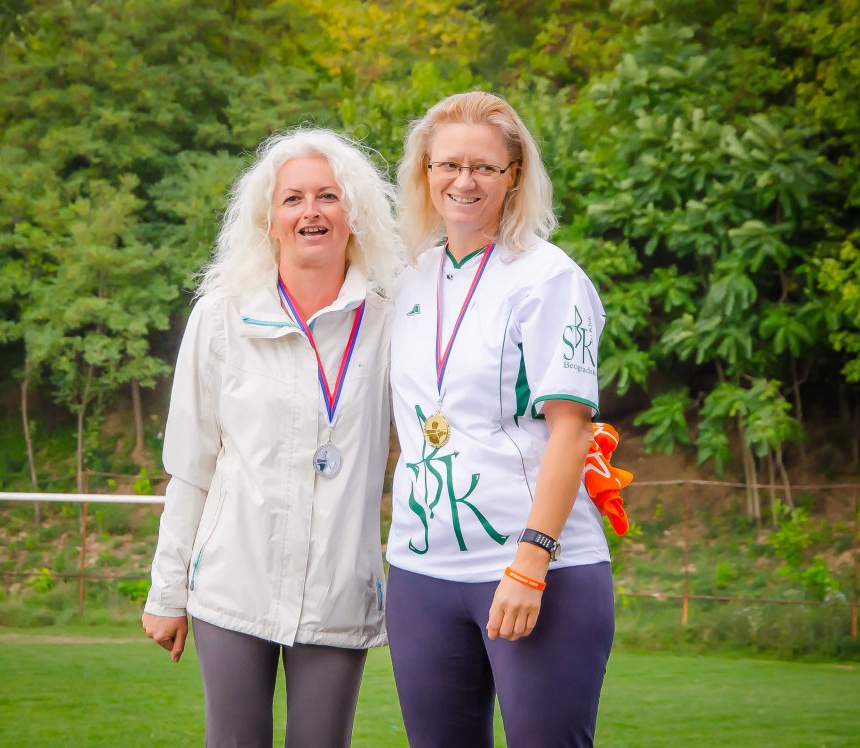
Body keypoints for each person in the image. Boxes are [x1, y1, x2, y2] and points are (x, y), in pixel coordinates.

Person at [142, 128, 399, 748]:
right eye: (293, 199)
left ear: (355, 215)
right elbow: (191, 467)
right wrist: (167, 591)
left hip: (338, 592)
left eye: (329, 196)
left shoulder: (390, 324)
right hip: (232, 587)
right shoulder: (220, 316)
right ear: (268, 220)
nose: (312, 211)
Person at [386, 91, 616, 747]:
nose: (464, 181)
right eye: (448, 165)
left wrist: (530, 564)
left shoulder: (548, 278)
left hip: (534, 569)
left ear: (514, 174)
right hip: (420, 574)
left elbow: (572, 431)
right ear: (426, 172)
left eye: (484, 167)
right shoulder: (409, 277)